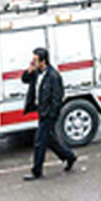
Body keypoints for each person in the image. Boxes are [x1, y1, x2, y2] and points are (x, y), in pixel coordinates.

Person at [21, 47, 76, 181]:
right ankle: (69, 156)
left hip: (48, 114)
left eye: (35, 60)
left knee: (39, 141)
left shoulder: (53, 76)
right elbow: (24, 79)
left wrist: (51, 114)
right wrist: (29, 70)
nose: (33, 62)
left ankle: (36, 171)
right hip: (40, 110)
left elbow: (57, 98)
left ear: (43, 61)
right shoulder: (36, 73)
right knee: (49, 140)